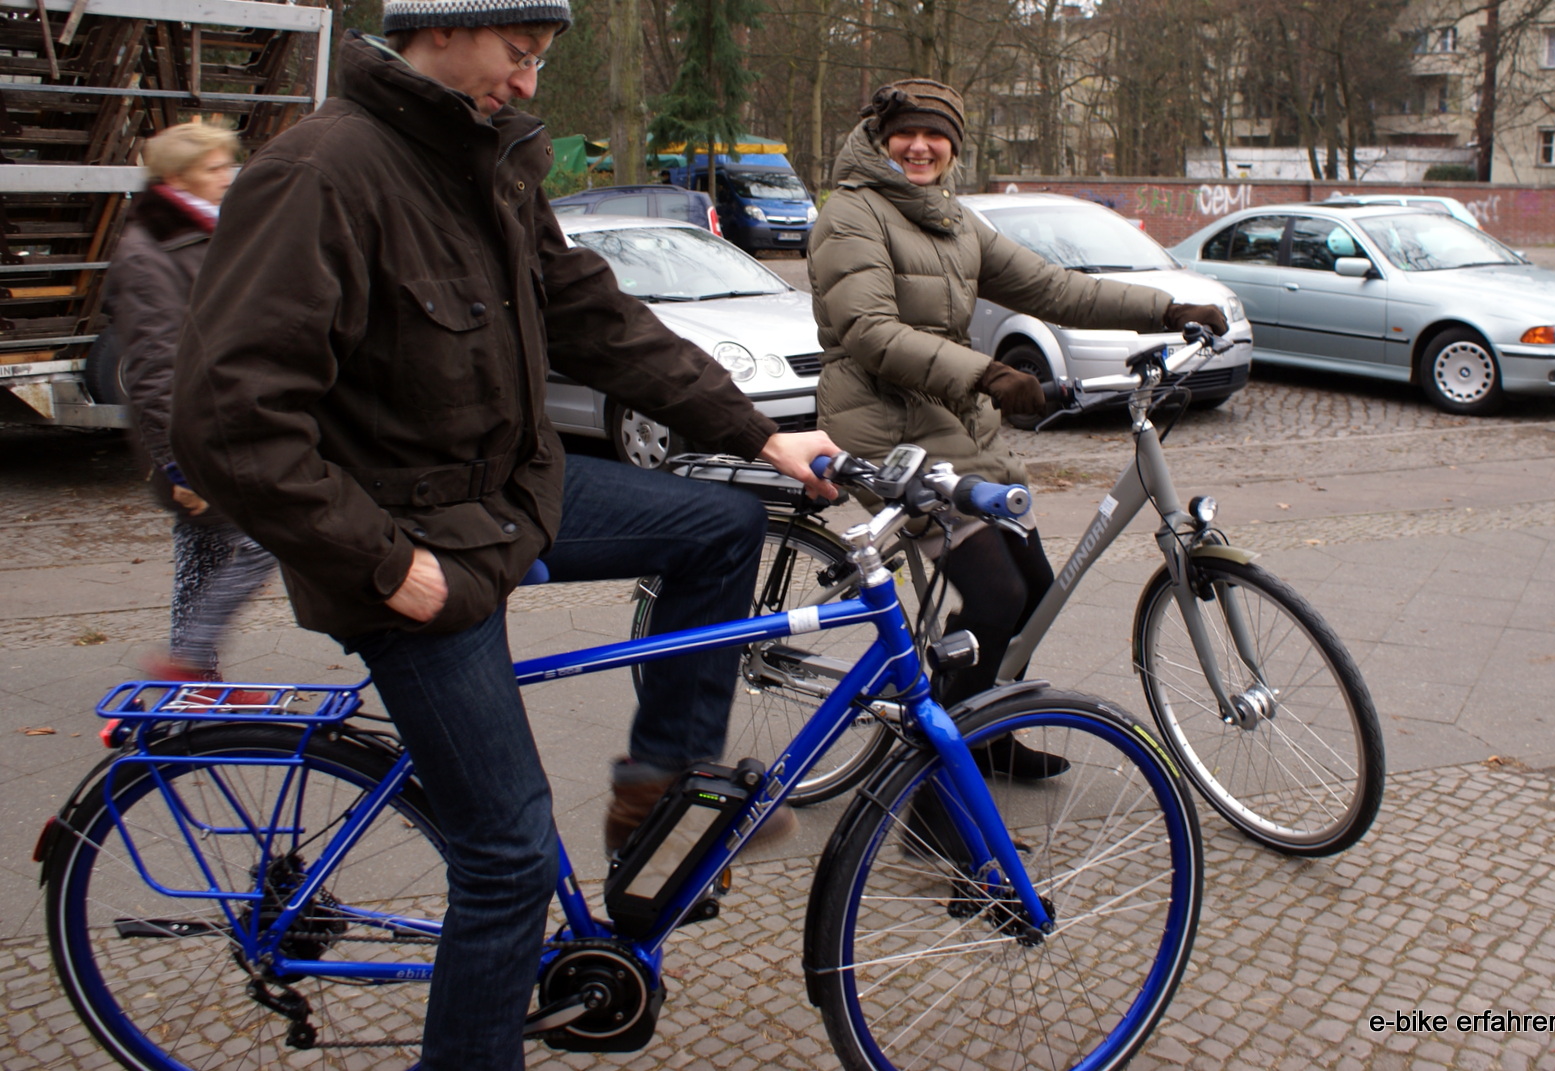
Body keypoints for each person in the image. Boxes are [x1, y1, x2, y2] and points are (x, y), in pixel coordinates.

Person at [168, 5, 836, 1067]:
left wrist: (759, 431)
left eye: (539, 61)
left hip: (506, 499)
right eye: (518, 56)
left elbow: (596, 319)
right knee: (510, 861)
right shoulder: (322, 173)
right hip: (407, 547)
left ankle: (657, 792)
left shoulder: (487, 162)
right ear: (441, 29)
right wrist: (387, 565)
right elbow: (226, 421)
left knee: (720, 524)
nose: (528, 84)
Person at [808, 79, 1227, 776]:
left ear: (955, 147)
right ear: (881, 138)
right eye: (907, 133)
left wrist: (1166, 308)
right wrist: (988, 373)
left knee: (1032, 588)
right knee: (996, 594)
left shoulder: (953, 219)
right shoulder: (851, 214)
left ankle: (989, 737)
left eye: (936, 135)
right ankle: (936, 780)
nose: (920, 147)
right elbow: (870, 331)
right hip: (884, 421)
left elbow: (1053, 288)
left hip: (952, 418)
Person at [107, 121, 278, 686]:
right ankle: (187, 665)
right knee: (264, 541)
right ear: (177, 178)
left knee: (203, 556)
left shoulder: (202, 231)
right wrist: (176, 466)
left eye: (228, 164)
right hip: (194, 441)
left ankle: (192, 679)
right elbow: (155, 370)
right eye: (214, 168)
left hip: (217, 426)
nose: (228, 177)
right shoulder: (147, 252)